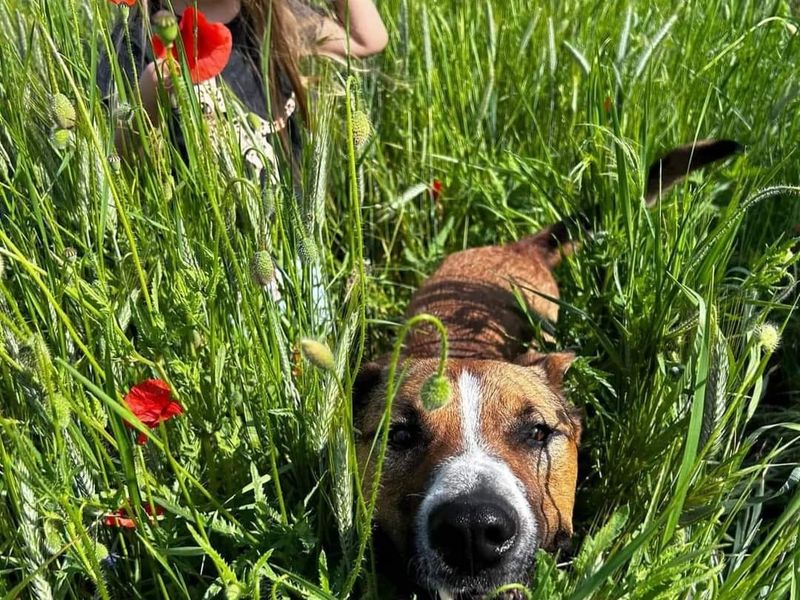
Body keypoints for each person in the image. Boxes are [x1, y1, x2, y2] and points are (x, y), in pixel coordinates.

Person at [98, 0, 387, 173]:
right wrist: (151, 93)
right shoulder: (136, 42)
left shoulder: (273, 14)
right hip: (209, 252)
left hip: (296, 233)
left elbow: (366, 39)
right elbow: (117, 155)